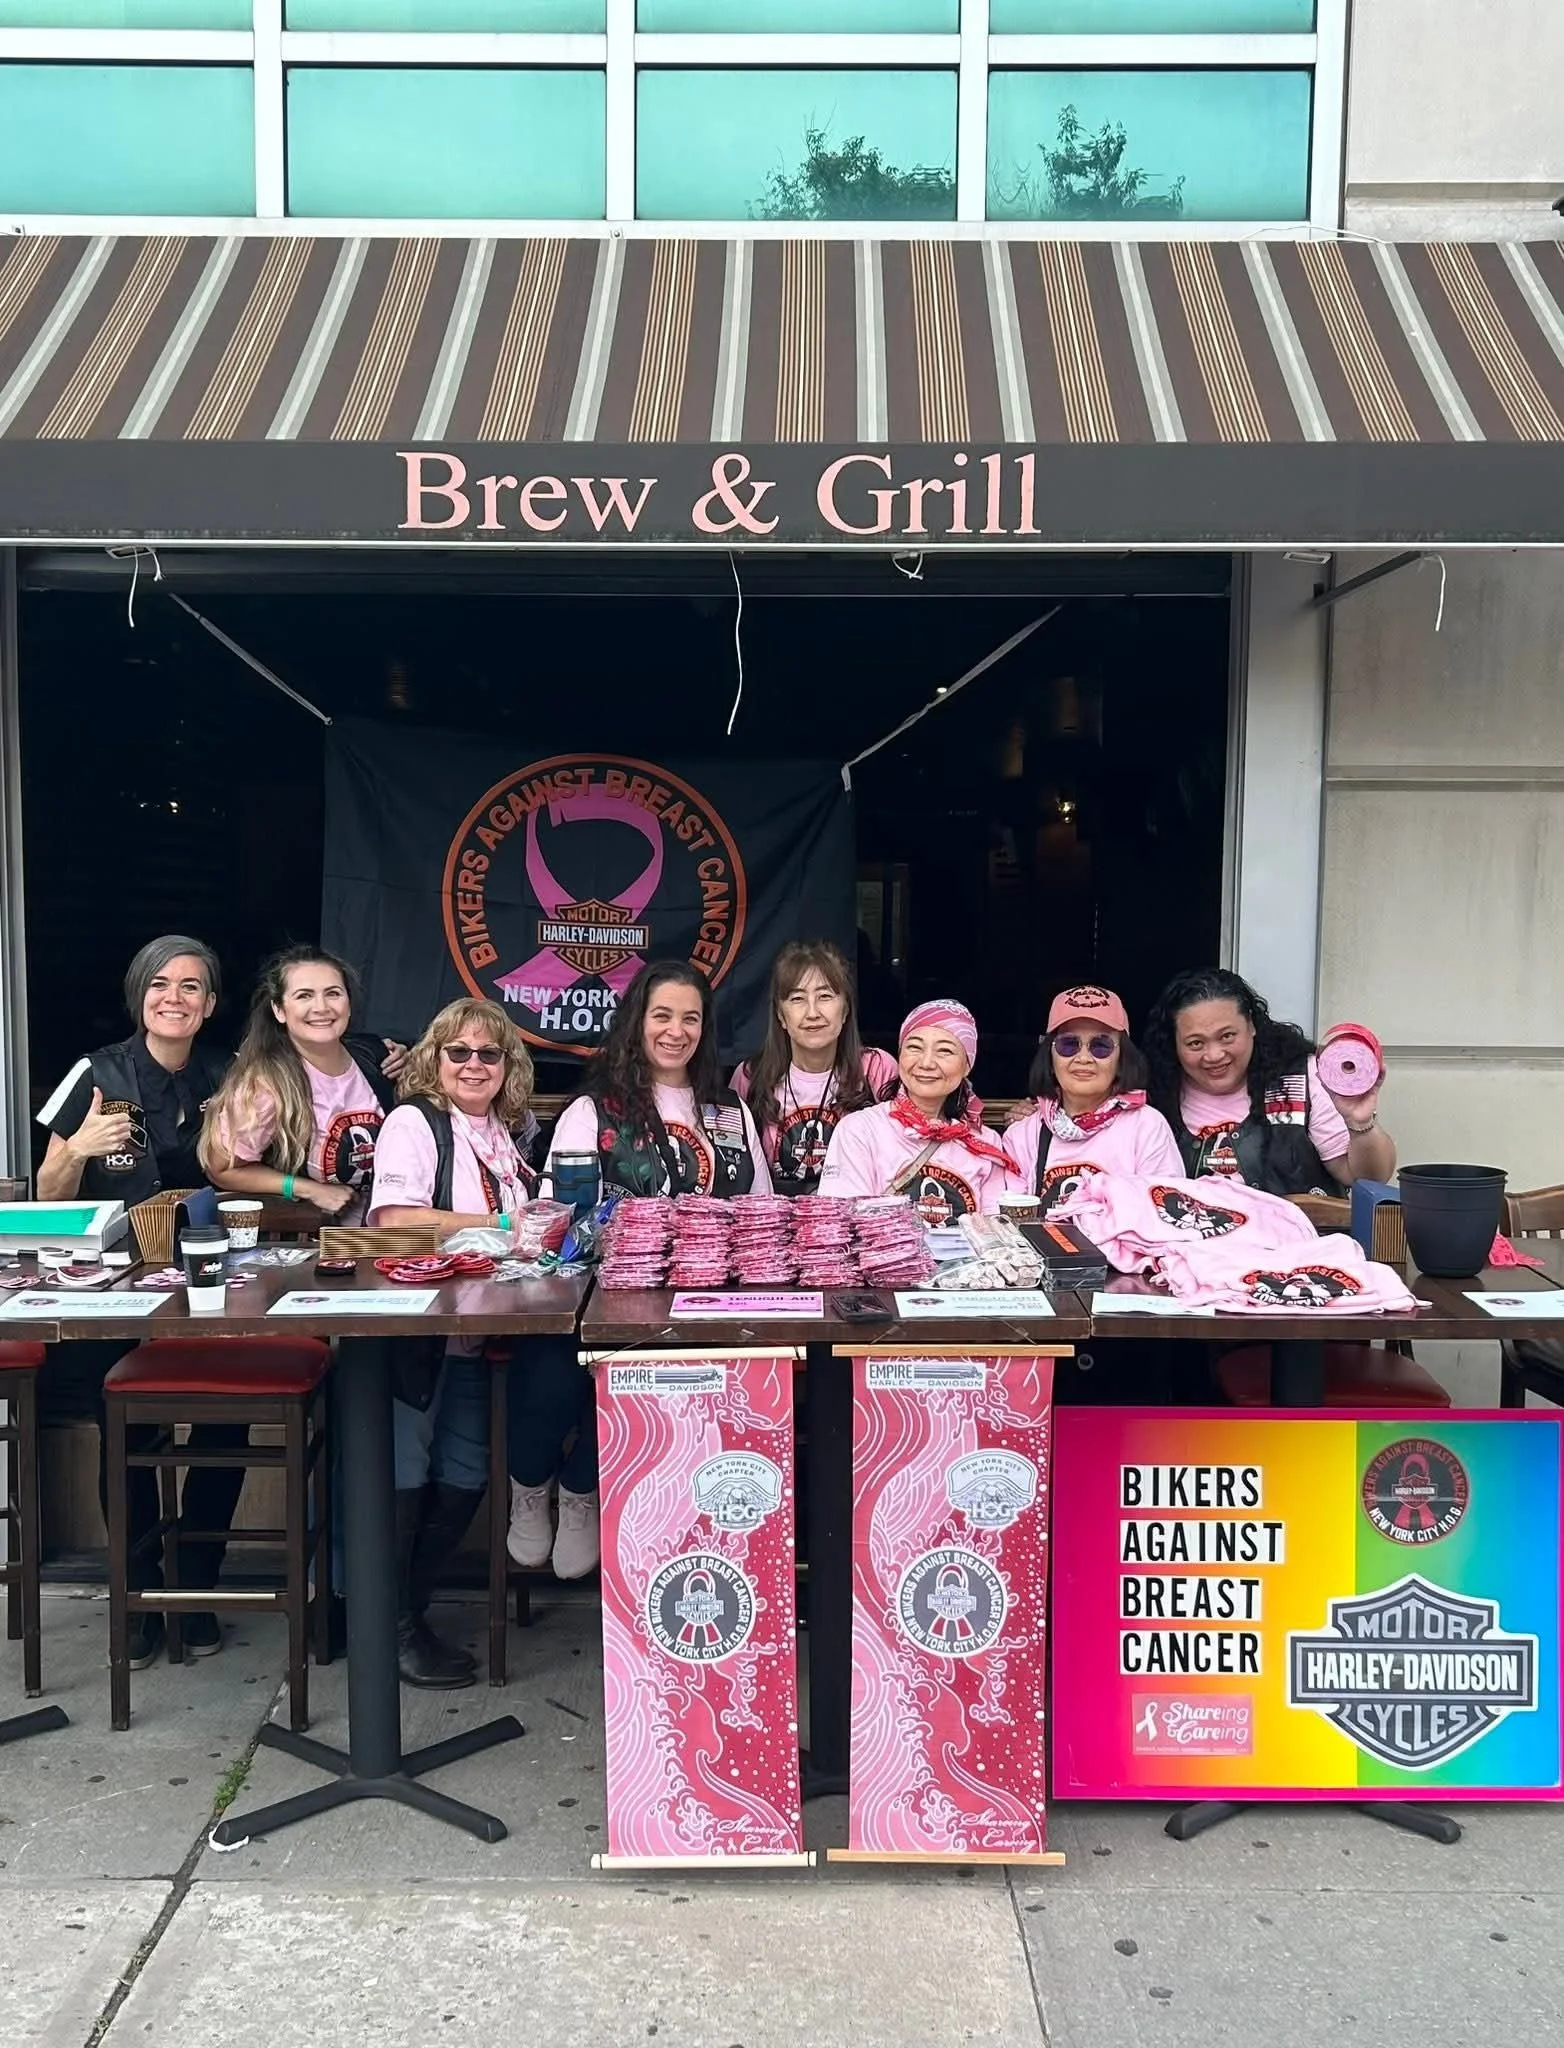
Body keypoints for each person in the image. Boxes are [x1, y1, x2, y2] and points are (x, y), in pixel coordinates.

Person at [367, 999, 596, 1683]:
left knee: (466, 1476)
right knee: (405, 1478)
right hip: (419, 1335)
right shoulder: (414, 1122)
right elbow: (395, 1219)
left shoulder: (501, 1133)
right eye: (458, 1052)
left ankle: (410, 1615)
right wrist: (505, 1222)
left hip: (476, 1332)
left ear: (508, 1064)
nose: (474, 1065)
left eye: (489, 1053)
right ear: (434, 1058)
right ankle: (390, 1632)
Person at [35, 936, 238, 1668]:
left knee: (229, 1424)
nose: (174, 998)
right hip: (115, 1285)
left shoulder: (230, 1072)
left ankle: (198, 1585)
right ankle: (142, 1594)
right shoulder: (96, 1072)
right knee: (126, 1430)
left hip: (212, 1280)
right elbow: (47, 1195)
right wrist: (76, 1149)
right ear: (138, 994)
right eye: (160, 984)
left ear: (209, 1004)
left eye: (191, 986)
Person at [1144, 967, 1396, 1197]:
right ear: (1174, 1043)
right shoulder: (1154, 1095)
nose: (1214, 1055)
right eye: (1195, 1043)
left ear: (1252, 1026)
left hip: (1304, 1233)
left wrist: (1360, 1123)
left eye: (1227, 1036)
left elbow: (1368, 1179)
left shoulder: (1303, 1078)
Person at [200, 946, 399, 1221]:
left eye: (333, 993)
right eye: (304, 995)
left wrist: (413, 1061)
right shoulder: (265, 1085)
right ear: (279, 1009)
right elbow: (222, 1168)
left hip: (395, 1237)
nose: (321, 1007)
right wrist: (307, 1189)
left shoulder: (377, 1057)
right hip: (317, 1240)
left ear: (349, 1003)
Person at [547, 959, 771, 1200]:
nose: (676, 1031)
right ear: (637, 1022)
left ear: (703, 1028)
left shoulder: (731, 1109)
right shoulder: (590, 1112)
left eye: (690, 1019)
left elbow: (764, 1213)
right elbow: (561, 1216)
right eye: (662, 1016)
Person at [817, 1000, 1013, 1224]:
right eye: (915, 1047)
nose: (926, 1063)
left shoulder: (985, 1143)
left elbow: (996, 1231)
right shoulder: (860, 1130)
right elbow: (841, 1223)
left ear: (967, 1065)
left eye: (945, 1051)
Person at [732, 941, 897, 1198]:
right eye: (797, 999)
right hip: (774, 1219)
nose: (812, 1013)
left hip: (856, 1216)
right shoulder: (751, 1076)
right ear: (781, 1015)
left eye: (825, 996)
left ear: (845, 1010)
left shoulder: (877, 1069)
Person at [1004, 985, 1184, 1212]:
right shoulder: (1023, 1135)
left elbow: (1165, 1215)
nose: (1083, 1058)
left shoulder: (1147, 1127)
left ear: (1122, 1058)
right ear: (1050, 1056)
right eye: (1069, 1045)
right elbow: (1009, 1223)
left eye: (1100, 1046)